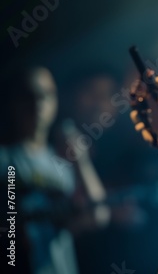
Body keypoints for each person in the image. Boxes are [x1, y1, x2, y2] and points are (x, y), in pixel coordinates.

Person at [0, 64, 110, 273]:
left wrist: (82, 162)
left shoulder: (61, 164)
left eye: (46, 95)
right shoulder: (5, 160)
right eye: (29, 96)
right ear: (13, 103)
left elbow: (98, 215)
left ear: (56, 101)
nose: (38, 104)